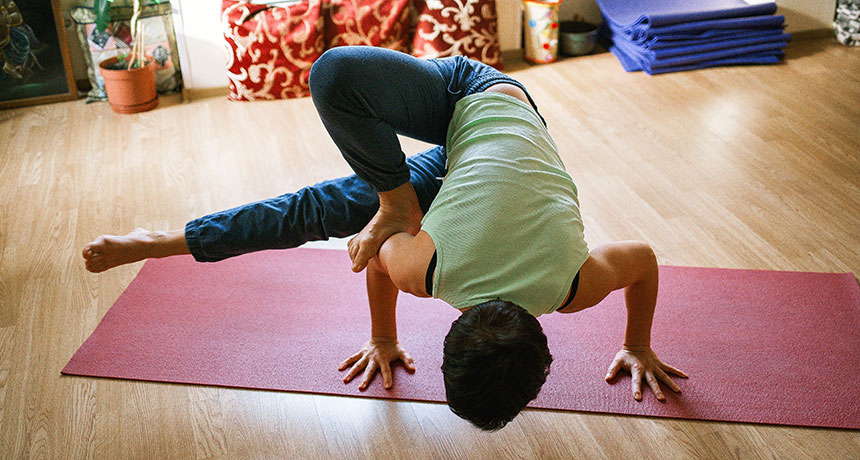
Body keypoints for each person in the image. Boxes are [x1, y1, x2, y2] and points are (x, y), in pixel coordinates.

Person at [82, 46, 687, 431]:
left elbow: (645, 262)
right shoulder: (431, 269)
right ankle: (396, 201)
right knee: (334, 104)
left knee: (324, 208)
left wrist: (636, 341)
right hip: (476, 99)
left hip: (468, 172)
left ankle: (160, 241)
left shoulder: (577, 287)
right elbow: (375, 262)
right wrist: (381, 333)